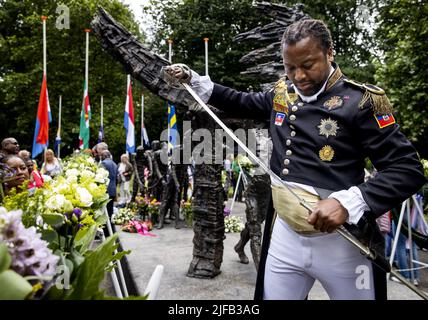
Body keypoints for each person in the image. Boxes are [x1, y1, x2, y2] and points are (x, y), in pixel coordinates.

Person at [164, 19, 426, 300]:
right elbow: (240, 100)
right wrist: (192, 79)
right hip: (284, 237)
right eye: (290, 68)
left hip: (342, 242)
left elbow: (407, 168)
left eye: (308, 65)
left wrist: (347, 203)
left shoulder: (361, 101)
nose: (298, 76)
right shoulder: (281, 94)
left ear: (329, 53)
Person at [100, 150, 118, 232]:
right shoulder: (114, 164)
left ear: (103, 156)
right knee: (110, 211)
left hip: (106, 189)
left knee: (105, 212)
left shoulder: (103, 163)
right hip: (113, 189)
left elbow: (100, 176)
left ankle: (106, 230)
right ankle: (111, 229)